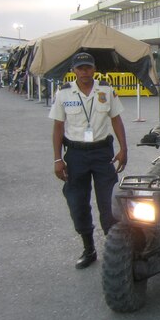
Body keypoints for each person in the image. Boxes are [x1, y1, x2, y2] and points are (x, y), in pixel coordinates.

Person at [49, 52, 128, 269]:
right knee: (77, 203)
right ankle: (89, 248)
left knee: (109, 204)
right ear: (73, 70)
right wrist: (57, 159)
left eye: (88, 67)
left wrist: (123, 149)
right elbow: (57, 127)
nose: (84, 72)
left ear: (94, 68)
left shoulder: (106, 89)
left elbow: (116, 119)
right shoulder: (64, 93)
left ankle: (113, 251)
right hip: (75, 155)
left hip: (103, 154)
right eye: (80, 68)